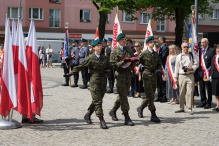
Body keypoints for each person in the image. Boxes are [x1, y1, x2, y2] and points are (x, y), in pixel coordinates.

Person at [64, 39, 110, 129]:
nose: (100, 47)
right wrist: (69, 74)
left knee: (97, 100)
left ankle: (88, 114)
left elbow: (109, 67)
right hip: (94, 81)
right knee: (98, 101)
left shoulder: (104, 58)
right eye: (98, 45)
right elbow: (80, 67)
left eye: (101, 45)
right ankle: (101, 120)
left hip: (103, 82)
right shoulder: (90, 58)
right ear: (93, 48)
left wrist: (107, 70)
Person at [109, 33, 138, 126]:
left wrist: (133, 61)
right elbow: (113, 65)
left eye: (125, 39)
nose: (124, 41)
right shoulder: (115, 51)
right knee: (124, 96)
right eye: (122, 39)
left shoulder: (130, 50)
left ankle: (113, 110)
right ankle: (126, 116)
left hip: (128, 75)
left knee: (123, 94)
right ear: (118, 41)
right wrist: (123, 62)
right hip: (120, 75)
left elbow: (133, 63)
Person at [136, 36, 162, 123]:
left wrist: (159, 70)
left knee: (150, 95)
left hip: (154, 75)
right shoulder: (144, 53)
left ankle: (141, 107)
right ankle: (153, 114)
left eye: (153, 42)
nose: (152, 43)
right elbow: (137, 62)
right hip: (146, 75)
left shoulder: (156, 54)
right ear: (147, 44)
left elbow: (159, 64)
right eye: (150, 42)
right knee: (150, 96)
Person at [174, 42, 199, 115]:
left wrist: (191, 68)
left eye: (187, 47)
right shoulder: (178, 56)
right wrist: (175, 77)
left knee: (190, 92)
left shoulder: (191, 55)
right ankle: (181, 108)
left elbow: (197, 64)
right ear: (182, 47)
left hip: (190, 75)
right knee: (181, 92)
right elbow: (176, 67)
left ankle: (189, 108)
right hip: (181, 75)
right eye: (184, 47)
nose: (186, 48)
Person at [196, 38, 215, 109]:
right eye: (201, 42)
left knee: (208, 88)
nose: (202, 44)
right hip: (201, 72)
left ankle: (208, 103)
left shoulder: (211, 50)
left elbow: (213, 62)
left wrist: (210, 71)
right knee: (201, 88)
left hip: (208, 72)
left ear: (207, 42)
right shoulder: (199, 50)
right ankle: (203, 101)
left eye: (204, 42)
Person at [155, 36, 169, 102]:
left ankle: (164, 97)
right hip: (158, 67)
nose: (157, 41)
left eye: (158, 40)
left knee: (163, 83)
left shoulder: (165, 48)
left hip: (163, 68)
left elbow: (163, 57)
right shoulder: (159, 48)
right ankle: (159, 96)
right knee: (159, 83)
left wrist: (155, 57)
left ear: (161, 41)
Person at [210, 44, 219, 111]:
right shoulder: (214, 57)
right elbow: (212, 66)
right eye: (217, 50)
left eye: (218, 50)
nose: (217, 51)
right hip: (215, 76)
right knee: (216, 92)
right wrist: (211, 75)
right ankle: (217, 105)